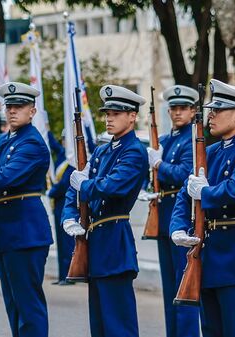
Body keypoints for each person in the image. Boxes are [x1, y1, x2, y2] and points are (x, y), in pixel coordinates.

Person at [170, 79, 235, 336]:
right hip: (210, 259)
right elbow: (184, 193)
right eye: (211, 109)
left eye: (218, 110)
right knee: (212, 331)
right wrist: (178, 227)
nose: (211, 115)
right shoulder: (211, 152)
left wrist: (204, 191)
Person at [62, 85, 147, 337]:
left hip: (114, 241)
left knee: (118, 324)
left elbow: (113, 187)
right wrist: (69, 215)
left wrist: (84, 185)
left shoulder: (134, 151)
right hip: (96, 242)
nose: (109, 118)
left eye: (116, 113)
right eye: (107, 113)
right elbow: (74, 187)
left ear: (132, 116)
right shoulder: (101, 150)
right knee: (99, 324)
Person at [0, 81, 52, 337]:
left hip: (25, 232)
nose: (13, 111)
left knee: (28, 304)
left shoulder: (32, 143)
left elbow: (6, 176)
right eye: (10, 106)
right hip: (5, 230)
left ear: (32, 111)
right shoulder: (6, 139)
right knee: (13, 303)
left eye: (20, 106)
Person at [138, 85, 200, 337]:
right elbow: (148, 173)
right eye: (173, 108)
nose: (177, 113)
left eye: (183, 108)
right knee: (169, 287)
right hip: (162, 217)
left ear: (193, 110)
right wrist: (147, 185)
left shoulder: (191, 140)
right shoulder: (163, 140)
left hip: (182, 219)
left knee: (183, 282)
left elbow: (184, 173)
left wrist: (160, 164)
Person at [46, 130, 74, 286]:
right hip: (58, 204)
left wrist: (52, 191)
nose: (63, 141)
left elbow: (65, 183)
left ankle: (69, 274)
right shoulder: (63, 154)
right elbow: (52, 144)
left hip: (65, 201)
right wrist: (46, 127)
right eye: (62, 139)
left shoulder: (71, 158)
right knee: (61, 242)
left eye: (66, 139)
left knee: (67, 241)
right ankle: (62, 275)